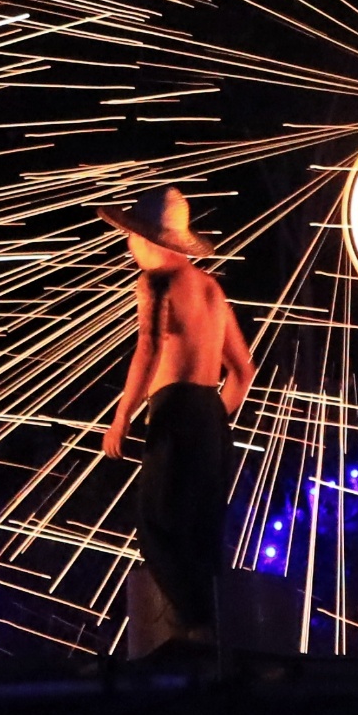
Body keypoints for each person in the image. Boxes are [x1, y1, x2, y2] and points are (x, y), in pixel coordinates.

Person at [100, 188, 253, 656]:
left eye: (132, 237)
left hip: (173, 414)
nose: (129, 246)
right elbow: (243, 370)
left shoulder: (155, 284)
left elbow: (147, 350)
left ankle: (195, 630)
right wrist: (210, 422)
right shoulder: (211, 287)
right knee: (201, 535)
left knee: (157, 523)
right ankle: (210, 637)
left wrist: (123, 417)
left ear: (150, 242)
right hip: (210, 417)